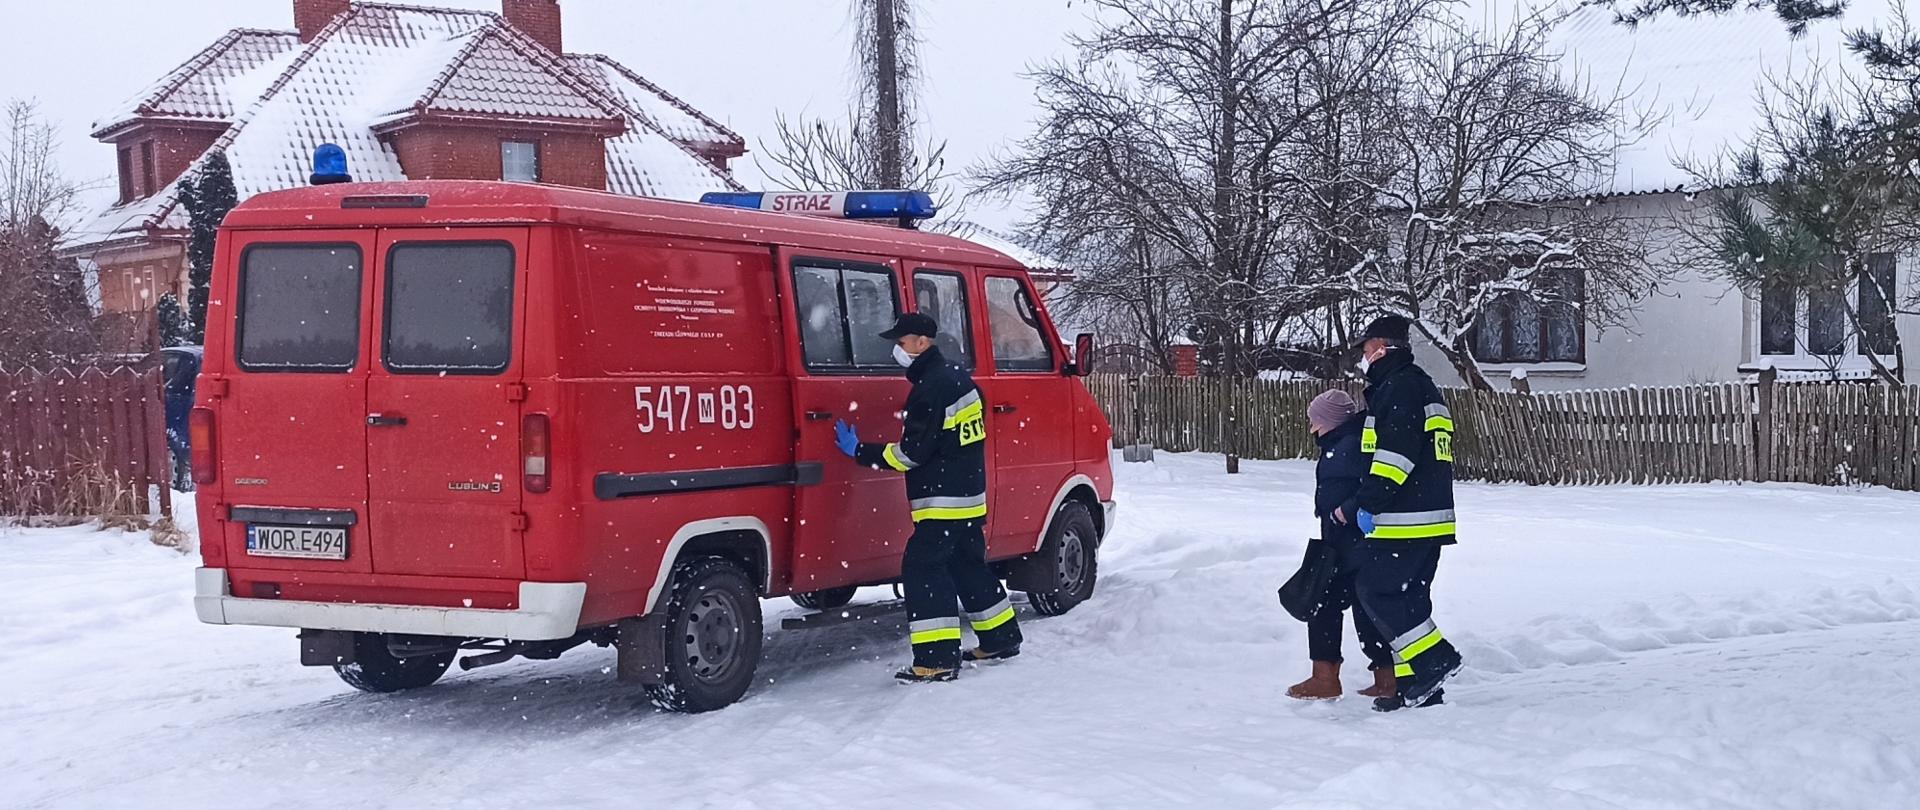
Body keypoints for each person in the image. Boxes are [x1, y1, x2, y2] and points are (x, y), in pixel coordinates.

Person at [834, 312, 1024, 683]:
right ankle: (1001, 638)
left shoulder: (931, 388)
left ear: (922, 343)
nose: (897, 351)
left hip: (942, 502)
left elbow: (911, 454)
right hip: (969, 496)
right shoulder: (958, 379)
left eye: (902, 343)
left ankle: (936, 660)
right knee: (967, 566)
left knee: (923, 570)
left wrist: (860, 451)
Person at [1351, 315, 1464, 711]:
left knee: (1377, 591)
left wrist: (1369, 501)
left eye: (1366, 349)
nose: (1363, 357)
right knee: (1409, 600)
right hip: (1427, 514)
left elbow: (1394, 455)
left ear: (1382, 346)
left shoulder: (1398, 387)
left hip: (1404, 517)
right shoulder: (1417, 384)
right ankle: (1417, 685)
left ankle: (1436, 660)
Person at [1286, 389, 1395, 701]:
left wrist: (1343, 512)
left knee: (1323, 603)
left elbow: (1367, 485)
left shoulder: (1347, 447)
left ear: (1329, 421)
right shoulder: (1349, 441)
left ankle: (1325, 678)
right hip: (1350, 541)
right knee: (1364, 607)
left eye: (1315, 421)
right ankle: (1386, 679)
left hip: (1347, 543)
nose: (1312, 428)